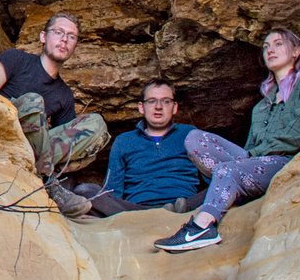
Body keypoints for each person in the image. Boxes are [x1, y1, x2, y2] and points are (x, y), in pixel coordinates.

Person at [155, 29, 300, 252]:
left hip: (287, 162)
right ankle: (232, 188)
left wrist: (248, 160)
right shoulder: (262, 105)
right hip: (255, 163)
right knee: (195, 140)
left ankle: (202, 227)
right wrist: (248, 159)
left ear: (296, 51)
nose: (270, 50)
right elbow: (249, 147)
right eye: (266, 47)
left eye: (278, 44)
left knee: (227, 171)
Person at [0, 13, 110, 216]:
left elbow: (62, 142)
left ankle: (46, 178)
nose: (64, 39)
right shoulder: (16, 59)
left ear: (75, 46)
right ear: (43, 37)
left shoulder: (64, 95)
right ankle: (48, 182)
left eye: (71, 36)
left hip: (29, 152)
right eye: (58, 32)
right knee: (33, 101)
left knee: (97, 125)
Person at [72, 79, 203, 217]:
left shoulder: (190, 134)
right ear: (141, 107)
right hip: (136, 209)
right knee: (84, 191)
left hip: (184, 204)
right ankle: (152, 214)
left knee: (225, 177)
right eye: (152, 101)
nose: (158, 106)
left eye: (166, 101)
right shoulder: (124, 141)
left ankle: (178, 209)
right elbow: (112, 191)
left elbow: (213, 177)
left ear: (174, 107)